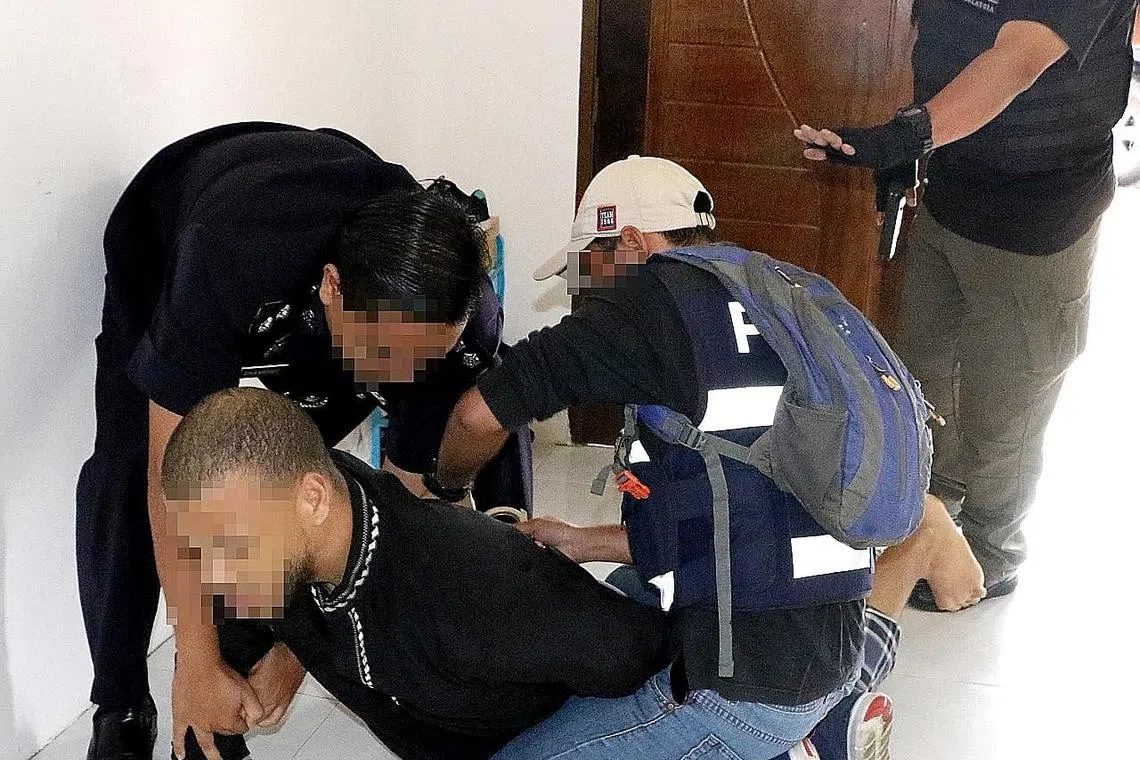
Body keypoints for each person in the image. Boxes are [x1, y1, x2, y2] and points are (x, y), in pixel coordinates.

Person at [77, 122, 531, 760]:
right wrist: (194, 659)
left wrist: (296, 656)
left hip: (332, 312)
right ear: (333, 287)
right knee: (128, 469)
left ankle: (229, 695)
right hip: (167, 235)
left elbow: (393, 514)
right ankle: (121, 701)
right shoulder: (230, 249)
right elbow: (168, 474)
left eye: (420, 361)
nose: (400, 381)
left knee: (298, 492)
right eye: (385, 356)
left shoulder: (459, 323)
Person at [433, 156, 883, 760]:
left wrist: (447, 490)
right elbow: (734, 512)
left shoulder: (647, 302)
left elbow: (475, 417)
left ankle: (777, 746)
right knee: (614, 603)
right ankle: (823, 722)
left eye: (588, 268)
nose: (586, 292)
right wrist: (580, 541)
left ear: (632, 241)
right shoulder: (774, 293)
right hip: (829, 642)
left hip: (745, 687)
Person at [794, 1, 1138, 610]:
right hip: (954, 191)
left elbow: (1017, 58)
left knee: (1007, 398)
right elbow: (942, 37)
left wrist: (906, 136)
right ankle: (934, 517)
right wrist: (911, 145)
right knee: (924, 374)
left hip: (1040, 218)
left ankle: (991, 548)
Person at [159, 387, 668, 760]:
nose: (213, 574)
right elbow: (210, 696)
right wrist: (280, 654)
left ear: (312, 500)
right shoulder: (278, 550)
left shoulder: (464, 585)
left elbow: (641, 659)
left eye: (228, 544)